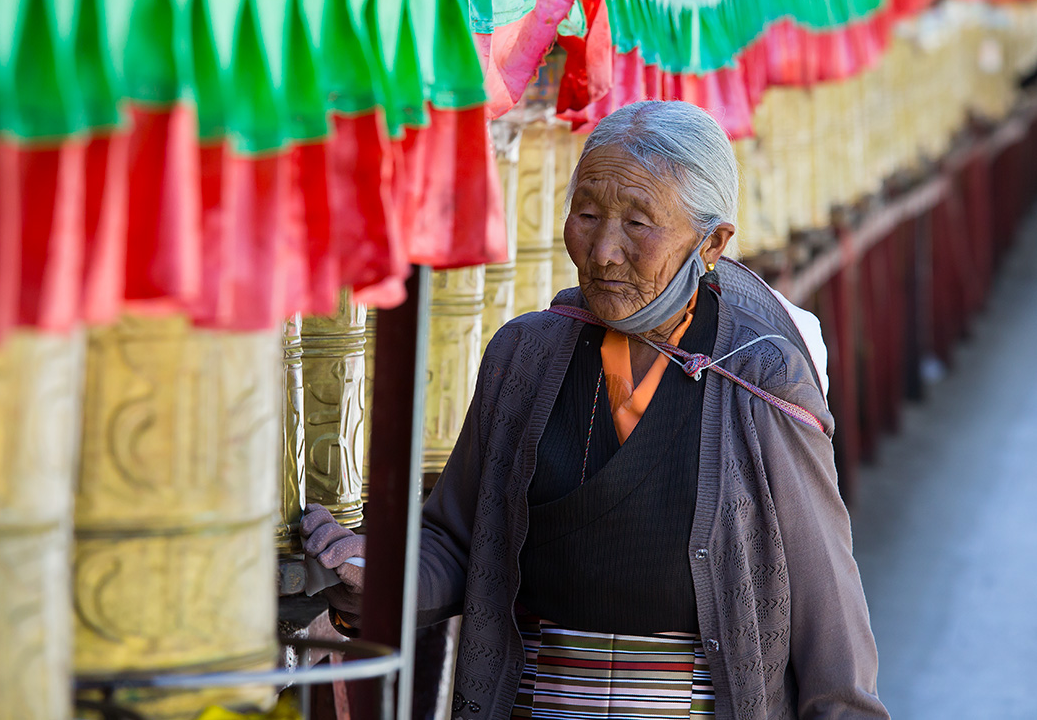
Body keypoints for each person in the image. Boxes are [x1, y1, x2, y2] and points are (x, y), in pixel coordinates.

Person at [302, 100, 889, 719]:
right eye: (586, 213)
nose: (603, 250)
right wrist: (374, 573)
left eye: (638, 224)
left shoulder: (758, 376)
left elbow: (829, 608)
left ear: (711, 242)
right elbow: (459, 541)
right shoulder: (525, 356)